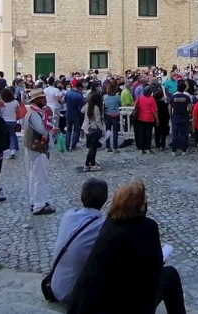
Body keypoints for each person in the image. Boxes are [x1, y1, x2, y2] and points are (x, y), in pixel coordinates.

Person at [67, 180, 186, 314]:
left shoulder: (109, 225)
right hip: (120, 304)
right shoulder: (148, 227)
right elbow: (152, 272)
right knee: (170, 276)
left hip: (89, 305)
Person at [48, 178, 109, 306]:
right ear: (105, 199)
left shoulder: (68, 215)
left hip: (55, 286)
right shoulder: (102, 225)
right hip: (76, 296)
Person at [23, 89, 55, 215]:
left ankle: (35, 201)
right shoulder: (34, 114)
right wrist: (50, 121)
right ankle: (39, 205)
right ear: (35, 100)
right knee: (40, 177)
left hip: (34, 147)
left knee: (34, 176)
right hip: (37, 147)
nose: (45, 100)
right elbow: (42, 129)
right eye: (42, 98)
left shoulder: (34, 111)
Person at [81, 91, 105, 172]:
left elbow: (82, 110)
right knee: (93, 148)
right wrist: (102, 129)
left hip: (88, 128)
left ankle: (88, 164)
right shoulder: (96, 108)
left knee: (91, 147)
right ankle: (92, 164)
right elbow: (98, 121)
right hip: (95, 129)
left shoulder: (88, 106)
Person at [168, 81, 191, 156]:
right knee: (184, 134)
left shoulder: (172, 97)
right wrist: (189, 113)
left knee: (175, 134)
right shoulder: (186, 97)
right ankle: (184, 150)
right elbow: (190, 108)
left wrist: (171, 116)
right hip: (184, 116)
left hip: (175, 117)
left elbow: (170, 108)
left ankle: (173, 151)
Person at [135, 86, 158, 155]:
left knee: (142, 134)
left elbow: (136, 105)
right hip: (149, 119)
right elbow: (154, 111)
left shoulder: (140, 97)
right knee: (148, 134)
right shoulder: (151, 99)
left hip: (141, 118)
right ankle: (148, 148)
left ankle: (141, 149)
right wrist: (157, 119)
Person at [0, 88, 21, 159]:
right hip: (13, 120)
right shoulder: (15, 102)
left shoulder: (1, 102)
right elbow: (17, 111)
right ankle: (12, 150)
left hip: (4, 121)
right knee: (12, 136)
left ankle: (6, 151)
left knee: (5, 137)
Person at [65, 82, 85, 151]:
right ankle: (73, 145)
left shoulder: (68, 93)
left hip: (68, 113)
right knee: (76, 130)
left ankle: (67, 146)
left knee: (68, 130)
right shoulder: (79, 95)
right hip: (76, 114)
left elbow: (65, 101)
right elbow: (81, 106)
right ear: (79, 88)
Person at [103, 83, 122, 153]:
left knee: (108, 131)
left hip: (107, 115)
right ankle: (115, 147)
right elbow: (120, 104)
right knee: (115, 131)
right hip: (115, 115)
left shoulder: (105, 97)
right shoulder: (117, 97)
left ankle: (108, 147)